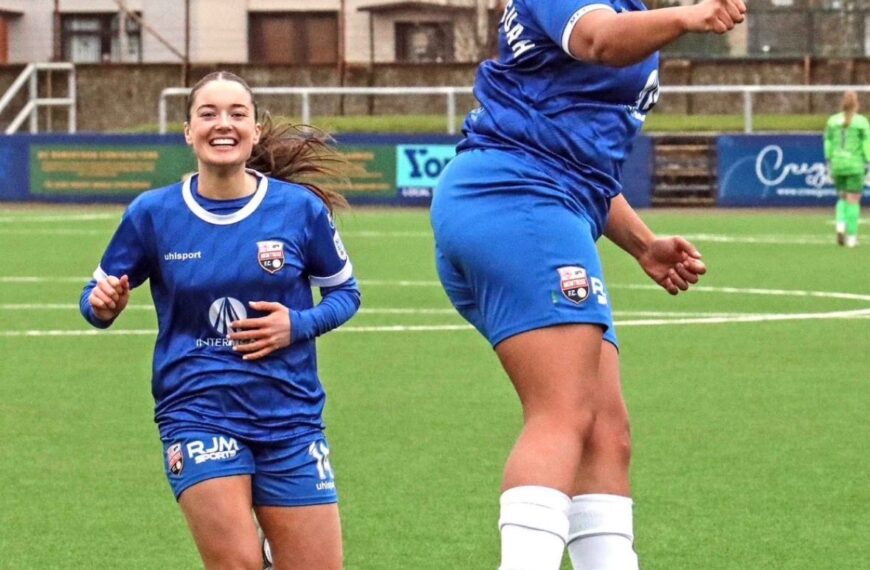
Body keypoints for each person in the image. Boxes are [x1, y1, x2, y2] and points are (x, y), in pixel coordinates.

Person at [430, 1, 746, 569]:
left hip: (541, 205)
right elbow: (599, 40)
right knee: (563, 412)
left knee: (606, 430)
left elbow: (583, 164)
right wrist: (687, 17)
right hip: (516, 198)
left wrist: (643, 244)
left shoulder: (630, 8)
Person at [80, 71, 360, 570]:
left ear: (254, 130)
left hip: (290, 418)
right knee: (238, 565)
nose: (222, 124)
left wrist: (297, 325)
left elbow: (345, 293)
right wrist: (102, 305)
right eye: (207, 114)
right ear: (188, 131)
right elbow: (94, 299)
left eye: (237, 113)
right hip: (198, 411)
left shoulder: (299, 210)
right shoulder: (153, 214)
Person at [824, 90, 870, 248]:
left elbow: (828, 142)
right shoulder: (861, 122)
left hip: (837, 164)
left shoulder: (832, 121)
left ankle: (840, 226)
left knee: (842, 198)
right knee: (853, 200)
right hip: (854, 165)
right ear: (856, 103)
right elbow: (866, 144)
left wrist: (829, 160)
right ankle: (851, 238)